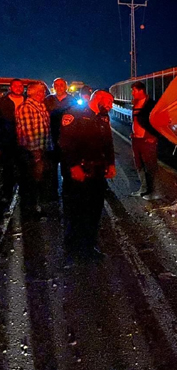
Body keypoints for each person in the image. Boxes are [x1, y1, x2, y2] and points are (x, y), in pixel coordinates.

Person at [58, 90, 116, 260]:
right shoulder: (73, 114)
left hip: (97, 171)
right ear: (97, 98)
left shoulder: (103, 117)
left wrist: (111, 163)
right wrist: (74, 166)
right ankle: (73, 246)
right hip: (80, 171)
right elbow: (66, 143)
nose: (111, 106)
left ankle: (88, 246)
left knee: (94, 210)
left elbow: (108, 142)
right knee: (77, 210)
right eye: (108, 102)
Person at [15, 82, 53, 219]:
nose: (43, 94)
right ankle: (29, 211)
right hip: (32, 152)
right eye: (40, 92)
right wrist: (36, 154)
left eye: (43, 91)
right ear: (33, 93)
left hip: (42, 149)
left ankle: (37, 207)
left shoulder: (40, 106)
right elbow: (27, 132)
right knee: (31, 182)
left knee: (40, 181)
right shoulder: (26, 108)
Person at [130, 81, 161, 201]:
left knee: (150, 166)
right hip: (136, 139)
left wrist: (154, 136)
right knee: (139, 165)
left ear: (140, 90)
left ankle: (154, 191)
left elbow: (157, 121)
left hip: (147, 140)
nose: (132, 93)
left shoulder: (151, 105)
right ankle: (143, 189)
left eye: (134, 91)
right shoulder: (136, 104)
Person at [44, 78, 74, 200]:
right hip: (51, 137)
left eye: (62, 85)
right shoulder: (48, 100)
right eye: (56, 85)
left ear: (66, 86)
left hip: (68, 139)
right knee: (52, 168)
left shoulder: (73, 100)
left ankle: (67, 191)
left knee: (67, 167)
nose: (59, 87)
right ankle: (53, 192)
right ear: (53, 87)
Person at [0, 79, 25, 206]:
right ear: (10, 87)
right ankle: (7, 193)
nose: (18, 88)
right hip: (7, 139)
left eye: (21, 86)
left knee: (24, 167)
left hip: (26, 140)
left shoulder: (28, 101)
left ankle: (24, 193)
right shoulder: (3, 101)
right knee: (7, 168)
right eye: (15, 85)